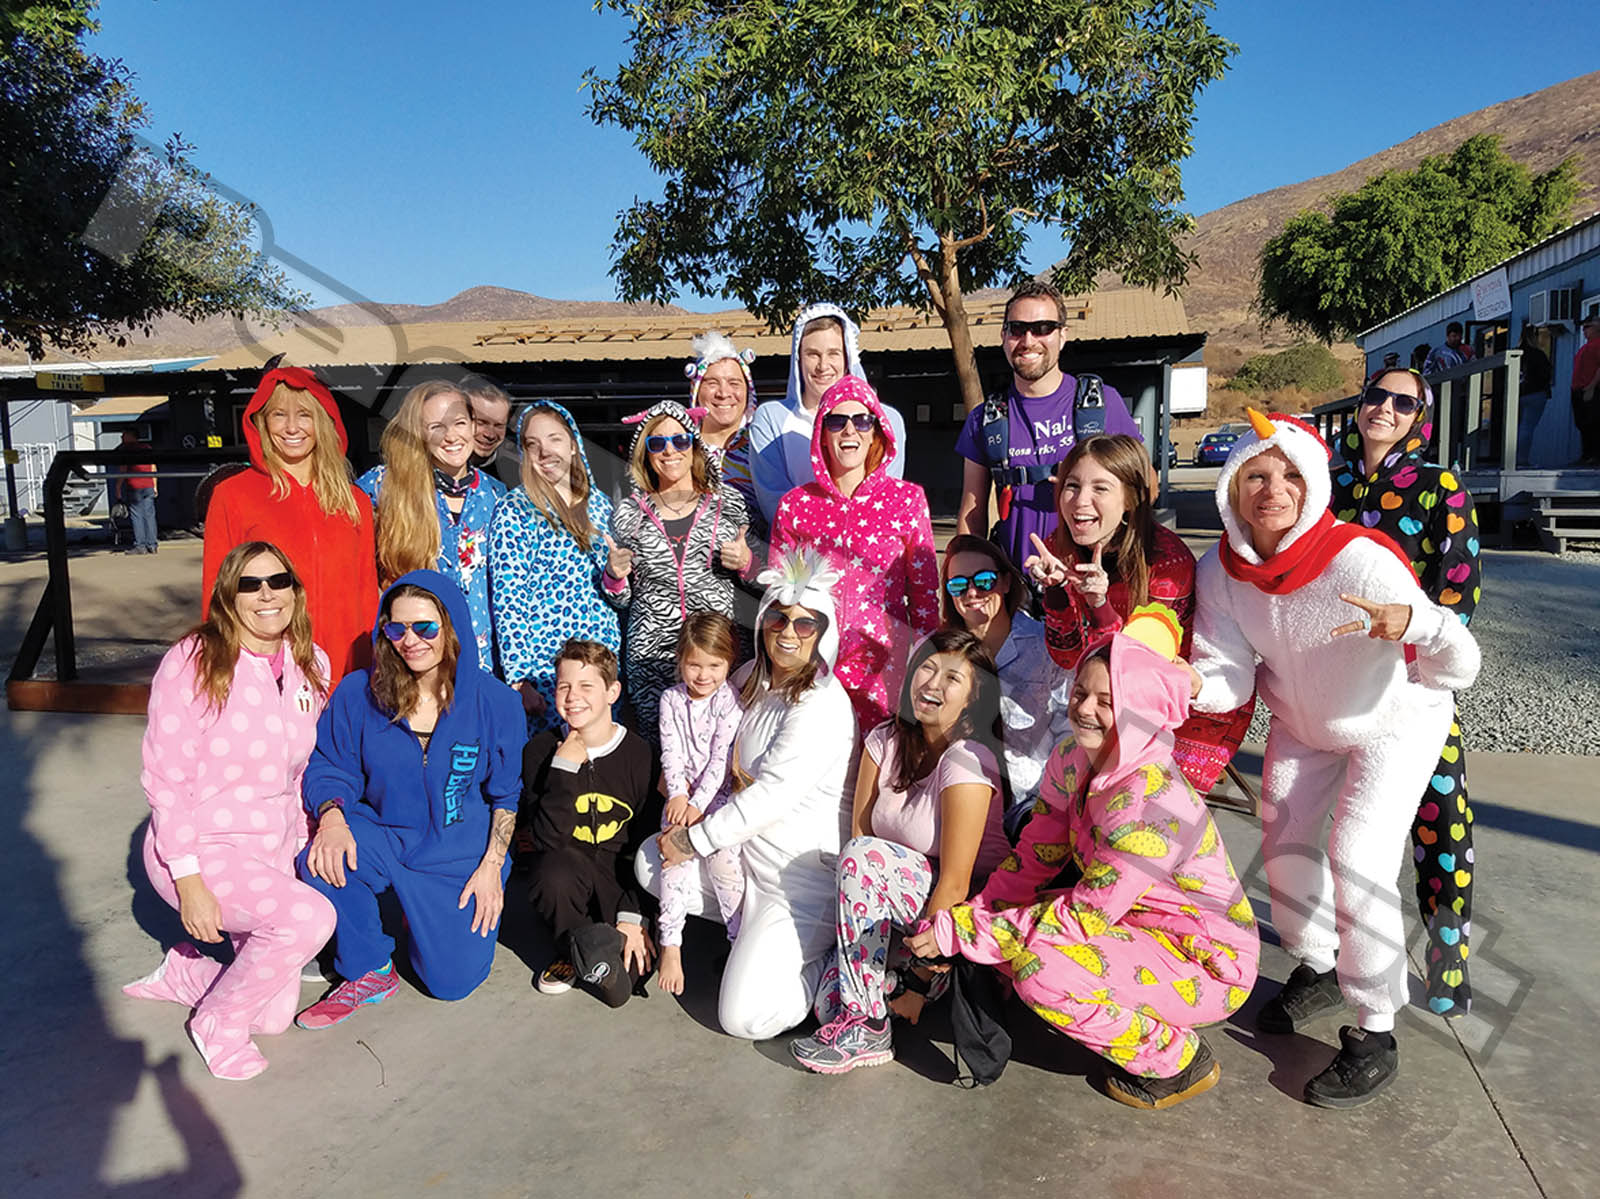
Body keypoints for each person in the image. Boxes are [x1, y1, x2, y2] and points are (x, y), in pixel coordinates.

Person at [1190, 408, 1480, 1107]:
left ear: (1315, 482)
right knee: (1284, 843)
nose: (1273, 488)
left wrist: (1418, 623)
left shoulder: (1359, 556)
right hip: (1302, 722)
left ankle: (1377, 1026)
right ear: (1232, 487)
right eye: (1255, 474)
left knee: (1356, 852)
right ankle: (1320, 963)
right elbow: (1227, 671)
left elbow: (1461, 665)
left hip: (1394, 720)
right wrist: (1184, 680)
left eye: (1291, 473)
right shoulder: (1220, 571)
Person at [906, 607, 1260, 1110]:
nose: (1085, 709)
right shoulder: (1073, 758)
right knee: (1009, 921)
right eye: (1079, 694)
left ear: (1139, 709)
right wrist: (978, 915)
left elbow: (1080, 917)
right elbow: (1035, 855)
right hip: (1135, 926)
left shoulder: (1151, 808)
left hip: (1205, 962)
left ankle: (1178, 1060)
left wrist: (959, 932)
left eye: (1107, 701)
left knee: (1040, 968)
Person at [125, 541, 335, 1080]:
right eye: (250, 584)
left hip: (267, 853)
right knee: (309, 917)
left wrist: (298, 846)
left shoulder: (312, 663)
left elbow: (295, 777)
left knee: (272, 1017)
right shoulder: (194, 661)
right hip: (198, 849)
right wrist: (189, 882)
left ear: (295, 590)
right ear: (228, 596)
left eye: (278, 581)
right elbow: (166, 780)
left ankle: (188, 976)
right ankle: (215, 1022)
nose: (267, 594)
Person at [638, 549, 858, 1041]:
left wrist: (693, 841)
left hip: (794, 881)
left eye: (806, 624)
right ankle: (749, 944)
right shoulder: (750, 679)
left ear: (824, 634)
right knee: (649, 861)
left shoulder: (821, 705)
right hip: (739, 861)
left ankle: (823, 971)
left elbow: (772, 797)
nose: (787, 631)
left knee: (744, 1019)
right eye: (778, 616)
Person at [294, 570, 526, 1027]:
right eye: (396, 627)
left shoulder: (495, 702)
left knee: (452, 983)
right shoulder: (359, 694)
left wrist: (492, 867)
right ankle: (369, 966)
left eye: (425, 627)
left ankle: (421, 920)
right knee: (321, 860)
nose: (410, 640)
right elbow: (330, 766)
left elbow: (506, 795)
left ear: (451, 627)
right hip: (383, 835)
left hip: (457, 853)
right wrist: (332, 818)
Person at [790, 628, 1009, 1074]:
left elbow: (956, 882)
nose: (932, 684)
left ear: (972, 699)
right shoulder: (885, 739)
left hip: (962, 913)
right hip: (898, 911)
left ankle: (869, 1024)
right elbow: (858, 839)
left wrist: (917, 983)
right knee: (826, 1003)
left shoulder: (968, 760)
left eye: (952, 678)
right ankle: (865, 1000)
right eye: (927, 668)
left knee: (864, 857)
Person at [1331, 369, 1482, 1016]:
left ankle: (1448, 962)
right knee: (1339, 827)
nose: (1384, 409)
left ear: (1419, 414)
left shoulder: (1438, 486)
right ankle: (1341, 948)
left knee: (1441, 823)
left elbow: (1459, 594)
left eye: (1402, 402)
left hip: (1414, 685)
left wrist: (1419, 656)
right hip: (1334, 682)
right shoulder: (1327, 483)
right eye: (1375, 396)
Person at [769, 375, 939, 729]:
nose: (850, 431)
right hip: (813, 667)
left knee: (875, 773)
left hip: (884, 668)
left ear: (877, 430)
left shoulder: (907, 500)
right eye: (836, 420)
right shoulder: (795, 505)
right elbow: (779, 596)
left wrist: (927, 660)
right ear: (822, 434)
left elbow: (923, 595)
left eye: (862, 420)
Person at [202, 367, 379, 683]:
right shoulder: (232, 496)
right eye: (279, 415)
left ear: (322, 423)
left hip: (346, 671)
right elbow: (215, 595)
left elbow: (367, 595)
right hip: (268, 674)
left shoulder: (355, 501)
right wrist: (222, 667)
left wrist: (371, 669)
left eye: (304, 415)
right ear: (262, 422)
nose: (292, 427)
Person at [956, 280, 1142, 575]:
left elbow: (1145, 488)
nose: (1028, 340)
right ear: (1004, 336)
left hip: (1093, 585)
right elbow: (972, 513)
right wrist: (972, 577)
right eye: (1017, 329)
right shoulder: (985, 419)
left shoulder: (1103, 403)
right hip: (1020, 594)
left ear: (1063, 335)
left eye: (1043, 328)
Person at [602, 399, 756, 742]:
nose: (669, 450)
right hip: (652, 656)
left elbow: (763, 577)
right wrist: (614, 577)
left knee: (724, 749)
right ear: (645, 452)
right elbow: (624, 598)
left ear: (695, 445)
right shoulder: (627, 513)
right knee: (661, 758)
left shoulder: (728, 503)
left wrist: (747, 562)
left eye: (680, 440)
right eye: (657, 443)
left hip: (717, 654)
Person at [523, 639, 657, 1000]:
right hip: (568, 884)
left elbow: (647, 841)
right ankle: (576, 948)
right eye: (564, 686)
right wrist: (564, 766)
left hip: (622, 882)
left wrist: (632, 915)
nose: (572, 697)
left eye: (586, 686)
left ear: (612, 692)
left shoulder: (640, 753)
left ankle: (593, 951)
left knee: (628, 976)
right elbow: (547, 840)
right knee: (554, 870)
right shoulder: (540, 752)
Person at [490, 402, 620, 733]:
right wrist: (520, 678)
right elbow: (508, 597)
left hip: (601, 664)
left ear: (574, 444)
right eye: (532, 444)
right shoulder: (515, 510)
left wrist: (617, 577)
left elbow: (618, 596)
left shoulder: (601, 505)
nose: (545, 451)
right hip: (547, 675)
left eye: (554, 439)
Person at [357, 380, 506, 670]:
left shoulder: (497, 495)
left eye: (459, 423)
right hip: (412, 658)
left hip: (481, 664)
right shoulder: (383, 486)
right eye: (436, 426)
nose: (451, 436)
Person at [1021, 434, 1194, 672]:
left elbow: (1132, 669)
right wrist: (1055, 591)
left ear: (1131, 500)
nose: (1080, 501)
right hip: (1094, 691)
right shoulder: (1058, 549)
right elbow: (1067, 658)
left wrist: (1099, 605)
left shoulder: (1168, 562)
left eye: (1100, 488)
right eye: (1072, 485)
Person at [939, 534, 1069, 835]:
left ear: (1007, 583)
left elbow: (1069, 729)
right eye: (958, 585)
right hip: (958, 797)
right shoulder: (941, 654)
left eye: (984, 580)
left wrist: (1054, 801)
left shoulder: (1047, 645)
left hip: (1033, 803)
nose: (972, 592)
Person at [747, 303, 909, 527]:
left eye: (834, 353)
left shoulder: (886, 420)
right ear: (798, 359)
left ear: (848, 357)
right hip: (797, 554)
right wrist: (829, 540)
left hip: (870, 551)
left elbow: (886, 497)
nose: (823, 365)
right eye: (812, 354)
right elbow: (776, 505)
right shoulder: (771, 420)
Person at [651, 613, 745, 996]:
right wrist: (678, 794)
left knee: (724, 861)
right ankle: (670, 943)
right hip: (683, 797)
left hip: (717, 797)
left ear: (728, 664)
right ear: (680, 660)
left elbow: (722, 758)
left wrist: (700, 803)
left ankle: (738, 938)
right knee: (674, 859)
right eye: (694, 665)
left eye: (714, 665)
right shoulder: (671, 700)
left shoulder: (729, 702)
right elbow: (670, 752)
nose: (703, 675)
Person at [686, 331, 762, 534]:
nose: (723, 393)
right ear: (696, 390)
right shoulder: (678, 448)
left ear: (748, 391)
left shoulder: (762, 447)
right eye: (712, 383)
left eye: (734, 383)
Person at [461, 372, 520, 490]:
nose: (490, 434)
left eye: (499, 425)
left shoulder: (516, 474)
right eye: (481, 423)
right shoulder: (431, 467)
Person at [1513, 326, 1552, 469]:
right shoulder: (1538, 354)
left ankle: (1510, 459)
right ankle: (1521, 460)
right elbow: (1545, 375)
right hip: (1535, 394)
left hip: (1516, 394)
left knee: (1515, 428)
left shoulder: (1515, 354)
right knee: (1527, 427)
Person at [116, 427, 158, 554]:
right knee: (150, 516)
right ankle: (152, 544)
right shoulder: (147, 448)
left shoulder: (126, 450)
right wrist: (155, 485)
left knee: (137, 516)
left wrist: (118, 488)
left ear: (130, 436)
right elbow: (153, 467)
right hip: (148, 485)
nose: (121, 438)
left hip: (134, 487)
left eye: (124, 435)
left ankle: (140, 545)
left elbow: (123, 471)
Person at [1572, 313, 1600, 464]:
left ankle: (1595, 456)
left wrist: (1591, 386)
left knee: (1593, 423)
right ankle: (1586, 455)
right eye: (1583, 327)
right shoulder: (1585, 347)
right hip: (1578, 389)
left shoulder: (1598, 344)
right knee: (1582, 423)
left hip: (1591, 389)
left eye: (1588, 327)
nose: (1584, 330)